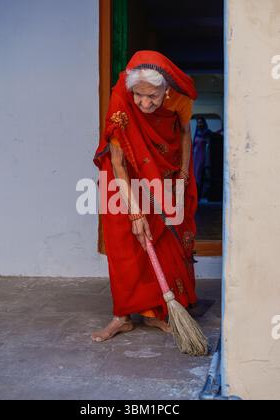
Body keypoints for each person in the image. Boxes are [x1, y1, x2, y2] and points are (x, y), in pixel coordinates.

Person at [92, 51, 199, 342]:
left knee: (162, 238)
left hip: (163, 174)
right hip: (122, 180)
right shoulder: (121, 98)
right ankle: (122, 316)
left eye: (153, 96)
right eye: (139, 96)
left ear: (166, 89)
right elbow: (117, 161)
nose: (145, 103)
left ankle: (155, 312)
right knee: (124, 244)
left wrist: (182, 177)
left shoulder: (179, 99)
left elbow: (186, 135)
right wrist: (135, 213)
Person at [193, 117, 212, 199]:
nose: (199, 124)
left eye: (200, 122)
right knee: (194, 175)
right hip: (195, 156)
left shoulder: (207, 133)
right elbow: (194, 145)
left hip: (203, 156)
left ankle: (199, 194)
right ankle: (195, 194)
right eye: (198, 122)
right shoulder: (197, 132)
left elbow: (209, 145)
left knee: (199, 175)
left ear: (204, 123)